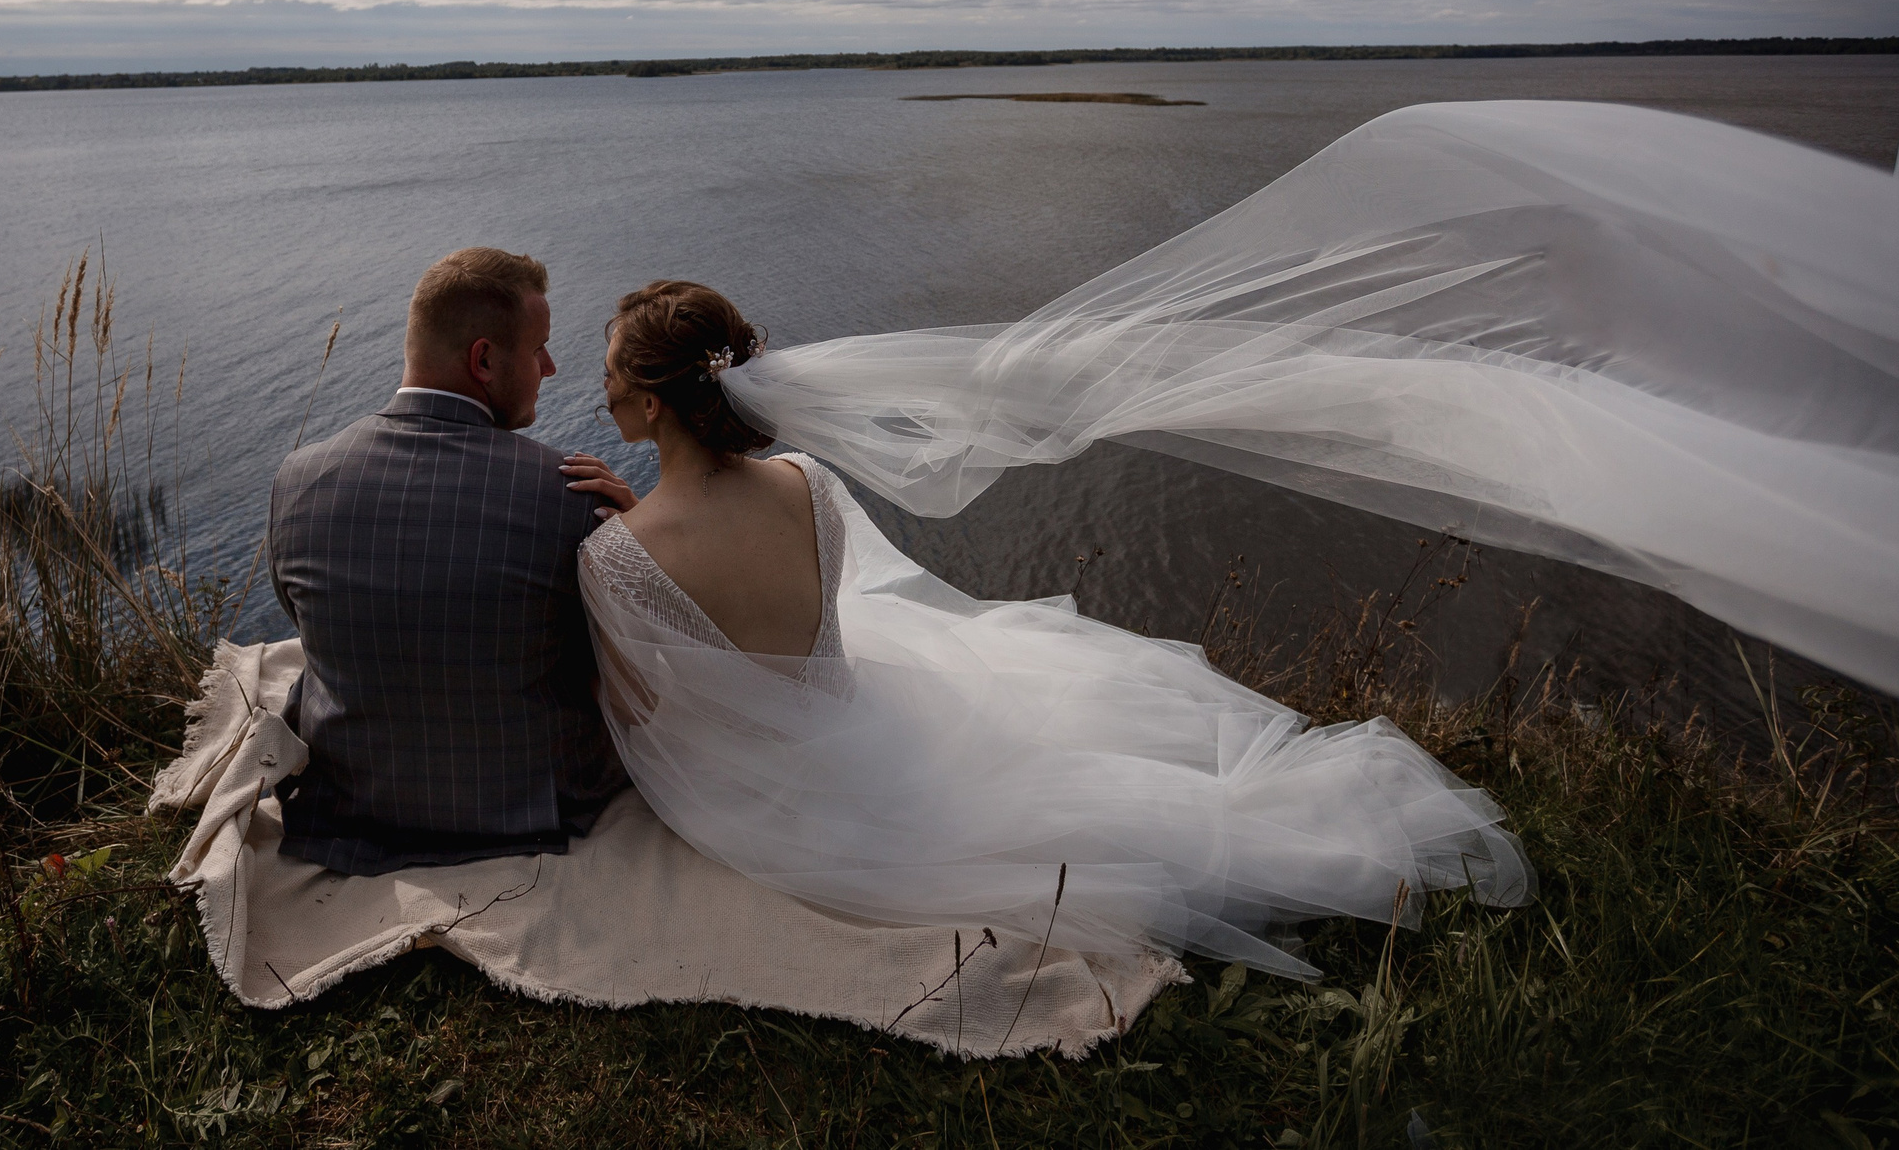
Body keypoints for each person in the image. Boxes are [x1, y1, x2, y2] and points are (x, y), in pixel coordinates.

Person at [569, 278, 1531, 978]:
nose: (601, 386)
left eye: (612, 374)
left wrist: (635, 536)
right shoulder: (805, 482)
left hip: (761, 799)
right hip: (859, 719)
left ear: (651, 404)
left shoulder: (616, 555)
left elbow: (648, 712)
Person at [265, 247, 637, 873]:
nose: (550, 366)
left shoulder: (297, 479)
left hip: (352, 808)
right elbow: (613, 660)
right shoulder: (567, 492)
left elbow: (304, 628)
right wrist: (637, 533)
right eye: (537, 348)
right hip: (531, 807)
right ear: (484, 359)